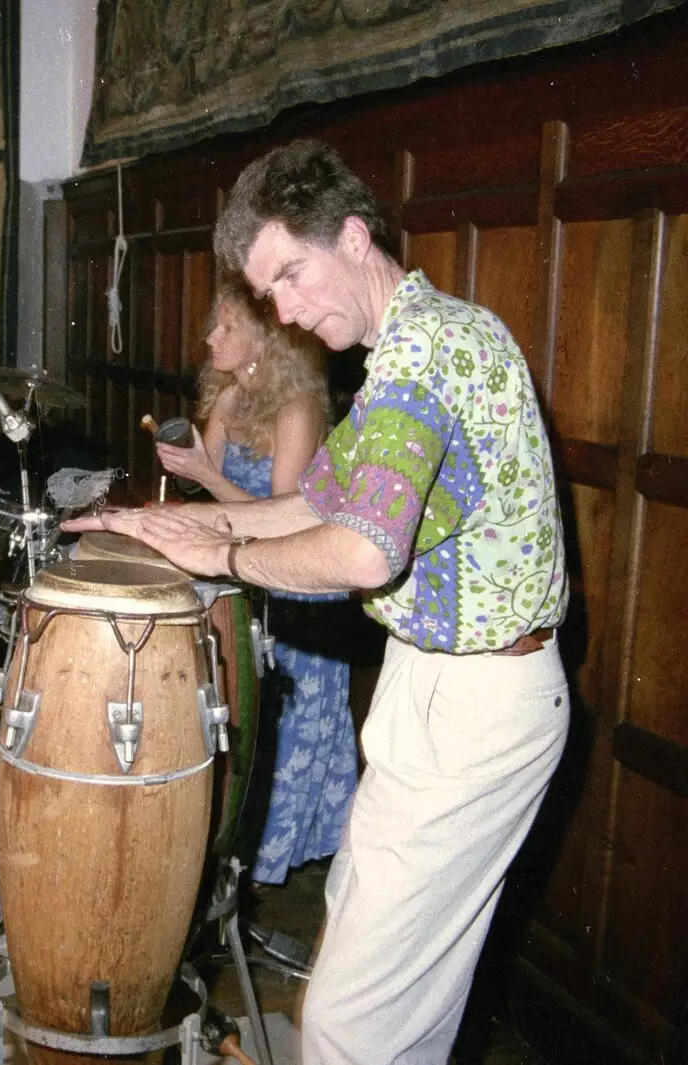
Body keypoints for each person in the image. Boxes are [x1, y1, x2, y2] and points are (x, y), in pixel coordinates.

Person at [65, 139, 569, 1065]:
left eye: (292, 276)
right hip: (436, 684)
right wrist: (194, 533)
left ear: (352, 233)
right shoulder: (403, 358)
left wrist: (224, 549)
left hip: (479, 702)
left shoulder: (428, 353)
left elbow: (359, 552)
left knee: (354, 1019)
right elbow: (316, 504)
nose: (286, 311)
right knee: (368, 972)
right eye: (270, 295)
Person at [156, 276, 358, 886]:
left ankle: (257, 880)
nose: (209, 335)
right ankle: (228, 864)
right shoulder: (226, 399)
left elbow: (280, 519)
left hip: (295, 589)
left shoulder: (297, 411)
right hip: (245, 579)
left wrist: (206, 479)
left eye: (224, 326)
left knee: (279, 737)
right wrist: (187, 468)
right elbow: (210, 492)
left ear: (264, 342)